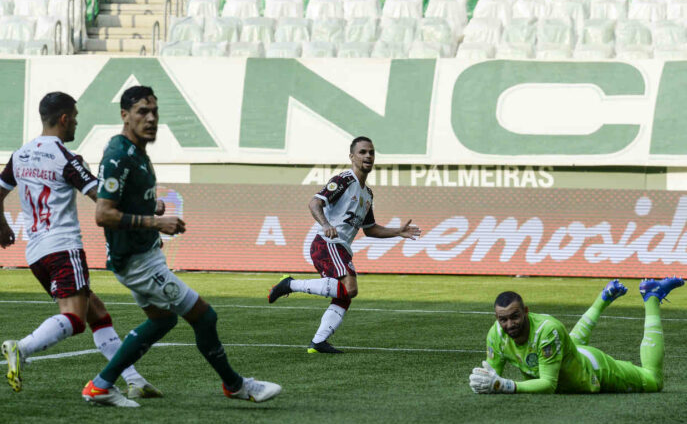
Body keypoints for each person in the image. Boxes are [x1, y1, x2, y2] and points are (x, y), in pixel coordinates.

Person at [81, 85, 281, 407]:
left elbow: (126, 201)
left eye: (154, 112)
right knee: (205, 317)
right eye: (142, 112)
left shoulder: (136, 151)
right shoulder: (119, 155)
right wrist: (155, 222)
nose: (151, 118)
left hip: (141, 257)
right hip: (139, 264)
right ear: (124, 116)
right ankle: (236, 385)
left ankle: (102, 384)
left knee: (163, 320)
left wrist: (152, 206)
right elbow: (103, 214)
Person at [0, 92, 159, 399]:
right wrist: (150, 208)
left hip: (37, 253)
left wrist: (3, 229)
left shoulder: (20, 155)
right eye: (76, 118)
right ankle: (21, 348)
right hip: (64, 247)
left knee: (97, 313)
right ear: (64, 119)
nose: (76, 123)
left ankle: (135, 380)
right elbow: (102, 198)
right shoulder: (65, 159)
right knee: (75, 318)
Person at [268, 136, 422, 353]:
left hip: (342, 248)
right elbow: (314, 203)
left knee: (344, 295)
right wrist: (325, 223)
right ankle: (290, 284)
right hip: (328, 242)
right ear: (352, 157)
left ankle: (318, 342)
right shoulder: (343, 180)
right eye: (362, 152)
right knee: (350, 288)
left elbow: (370, 229)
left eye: (371, 152)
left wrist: (397, 231)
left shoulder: (367, 194)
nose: (368, 156)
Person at [469, 277, 684, 394]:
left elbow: (548, 384)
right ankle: (605, 297)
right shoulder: (496, 334)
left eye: (514, 317)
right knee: (567, 344)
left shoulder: (546, 329)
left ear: (526, 311)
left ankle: (652, 297)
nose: (509, 324)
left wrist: (505, 386)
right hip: (569, 354)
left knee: (653, 381)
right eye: (502, 319)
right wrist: (486, 380)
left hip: (593, 370)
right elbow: (492, 374)